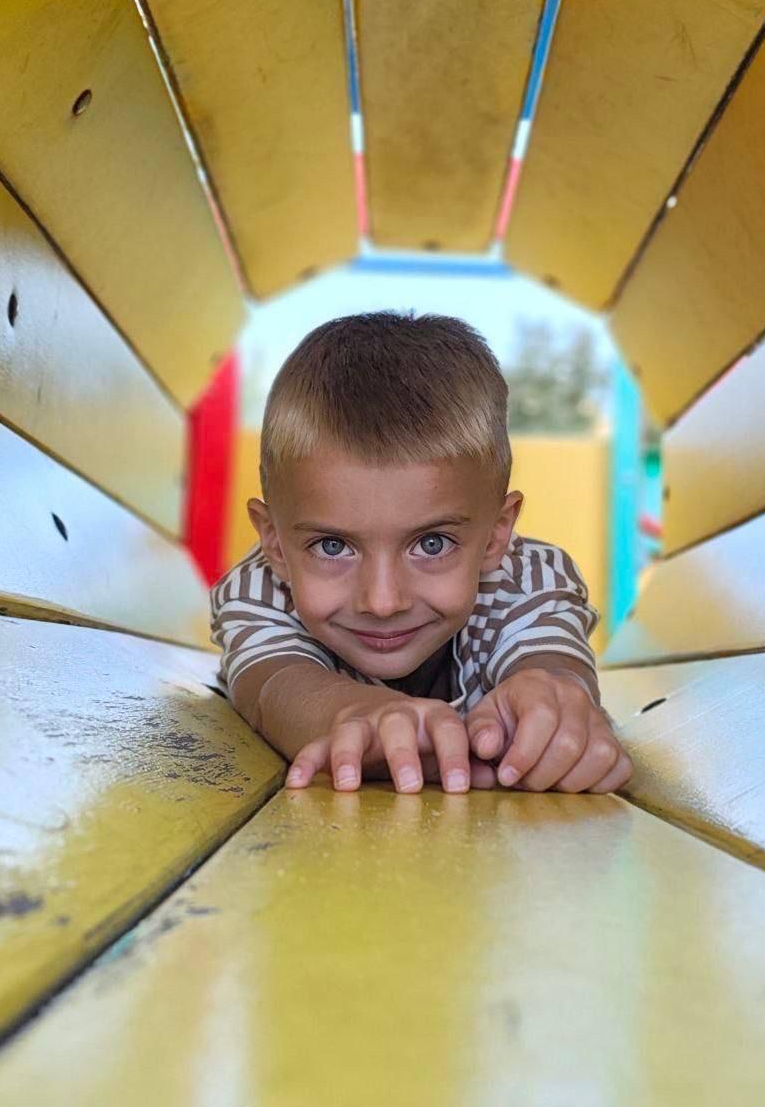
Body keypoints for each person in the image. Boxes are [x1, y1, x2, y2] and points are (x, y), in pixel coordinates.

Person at [211, 312, 633, 796]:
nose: (383, 601)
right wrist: (353, 715)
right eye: (332, 546)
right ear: (274, 542)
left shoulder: (525, 580)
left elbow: (550, 664)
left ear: (496, 535)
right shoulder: (261, 589)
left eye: (432, 544)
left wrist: (554, 704)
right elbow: (272, 688)